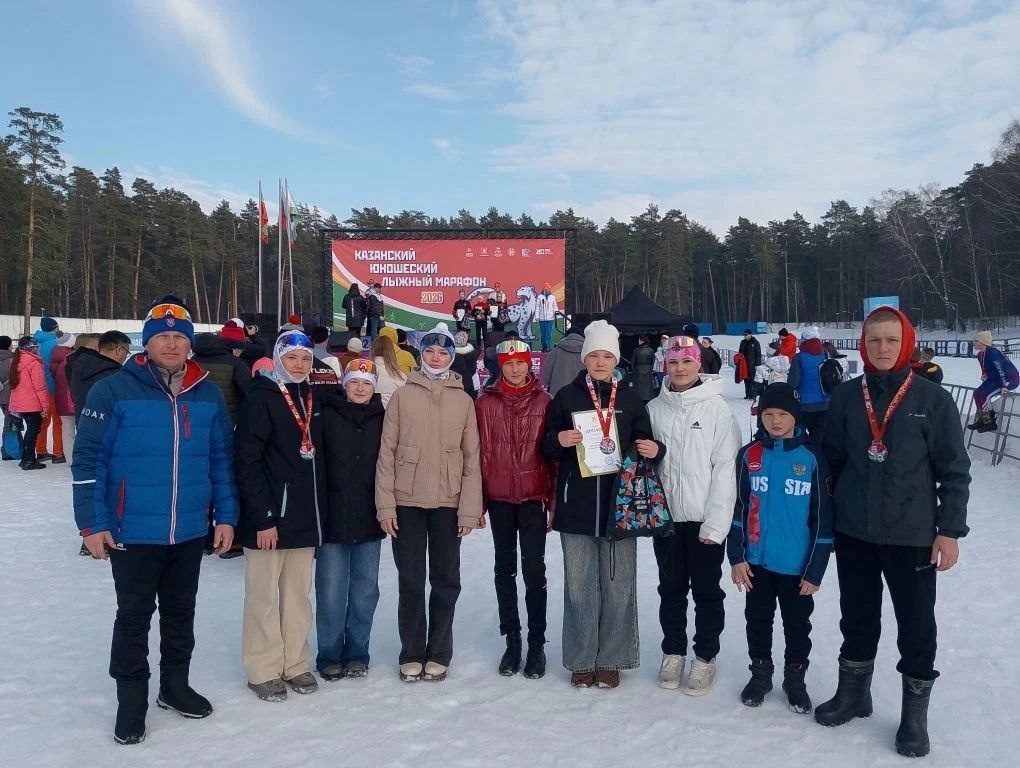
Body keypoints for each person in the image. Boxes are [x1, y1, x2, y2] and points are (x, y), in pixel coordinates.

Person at [72, 295, 237, 745]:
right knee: (133, 617)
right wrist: (91, 523)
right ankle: (131, 702)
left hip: (189, 529)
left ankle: (174, 686)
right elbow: (87, 461)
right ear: (146, 343)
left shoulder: (206, 393)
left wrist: (226, 516)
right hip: (132, 530)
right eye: (162, 337)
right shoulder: (113, 390)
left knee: (181, 613)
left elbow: (221, 461)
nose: (171, 344)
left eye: (179, 337)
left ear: (189, 344)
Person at [816, 307, 971, 758]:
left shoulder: (932, 399)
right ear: (863, 345)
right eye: (874, 340)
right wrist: (829, 514)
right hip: (855, 530)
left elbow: (954, 470)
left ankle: (914, 716)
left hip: (912, 534)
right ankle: (854, 693)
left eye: (891, 340)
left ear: (906, 343)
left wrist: (950, 530)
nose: (882, 348)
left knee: (917, 625)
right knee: (857, 615)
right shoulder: (846, 397)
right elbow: (832, 462)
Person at [541, 320, 664, 689]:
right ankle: (581, 659)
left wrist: (656, 449)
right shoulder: (566, 397)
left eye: (607, 356)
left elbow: (646, 444)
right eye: (593, 355)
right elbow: (546, 446)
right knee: (579, 588)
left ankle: (612, 658)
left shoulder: (630, 399)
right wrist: (559, 440)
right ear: (584, 358)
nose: (599, 362)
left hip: (620, 507)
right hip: (576, 506)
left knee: (618, 586)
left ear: (616, 359)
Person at [375, 323, 483, 682]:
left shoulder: (463, 401)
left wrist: (468, 509)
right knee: (410, 579)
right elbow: (386, 453)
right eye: (430, 351)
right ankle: (411, 651)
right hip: (406, 501)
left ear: (451, 357)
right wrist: (386, 505)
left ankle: (438, 651)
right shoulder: (402, 396)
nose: (436, 358)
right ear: (421, 354)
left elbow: (472, 458)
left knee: (446, 579)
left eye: (443, 352)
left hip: (448, 503)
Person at [728, 383, 834, 713]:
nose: (775, 421)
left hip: (796, 566)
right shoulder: (749, 455)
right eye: (768, 414)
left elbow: (823, 519)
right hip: (756, 563)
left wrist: (814, 570)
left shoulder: (811, 458)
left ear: (796, 417)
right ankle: (760, 675)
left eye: (783, 414)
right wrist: (737, 557)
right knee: (757, 621)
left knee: (797, 626)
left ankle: (795, 681)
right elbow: (738, 508)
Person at [647, 335, 741, 696]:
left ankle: (705, 656)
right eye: (673, 362)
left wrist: (716, 525)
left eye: (687, 361)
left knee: (706, 591)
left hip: (703, 520)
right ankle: (673, 652)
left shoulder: (717, 410)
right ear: (665, 365)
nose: (680, 369)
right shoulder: (654, 409)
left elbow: (726, 470)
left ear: (698, 364)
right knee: (670, 589)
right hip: (668, 519)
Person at [235, 331, 324, 702]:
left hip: (303, 517)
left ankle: (295, 662)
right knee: (264, 597)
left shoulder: (311, 395)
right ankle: (263, 668)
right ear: (277, 359)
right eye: (291, 358)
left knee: (297, 596)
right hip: (269, 520)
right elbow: (247, 462)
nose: (299, 365)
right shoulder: (261, 397)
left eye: (305, 359)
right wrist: (264, 518)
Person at [476, 338, 555, 679]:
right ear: (500, 365)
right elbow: (477, 453)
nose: (515, 368)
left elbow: (553, 456)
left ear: (529, 363)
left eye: (521, 362)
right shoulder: (484, 402)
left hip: (533, 497)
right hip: (499, 498)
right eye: (509, 363)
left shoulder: (545, 401)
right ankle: (512, 638)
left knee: (534, 571)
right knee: (504, 568)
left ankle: (537, 643)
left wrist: (553, 502)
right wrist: (477, 501)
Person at [317, 359, 387, 680]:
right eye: (354, 382)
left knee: (365, 590)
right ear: (344, 384)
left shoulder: (383, 418)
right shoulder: (326, 415)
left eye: (367, 383)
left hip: (369, 517)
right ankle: (329, 654)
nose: (360, 388)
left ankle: (358, 651)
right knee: (331, 591)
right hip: (332, 517)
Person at [191, 324, 251, 424]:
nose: (240, 353)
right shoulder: (236, 363)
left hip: (196, 418)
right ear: (235, 348)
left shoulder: (193, 360)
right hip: (227, 420)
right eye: (241, 350)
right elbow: (249, 392)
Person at [70, 331, 131, 425]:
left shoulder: (81, 366)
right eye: (126, 353)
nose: (125, 357)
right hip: (109, 429)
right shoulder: (114, 375)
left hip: (84, 426)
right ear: (119, 350)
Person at [8, 336, 49, 470]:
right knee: (33, 431)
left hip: (19, 402)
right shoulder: (34, 363)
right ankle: (29, 459)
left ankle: (26, 458)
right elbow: (40, 387)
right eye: (36, 346)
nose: (38, 348)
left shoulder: (16, 361)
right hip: (32, 403)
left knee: (30, 430)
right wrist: (45, 406)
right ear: (30, 348)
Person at [969, 330, 1018, 433]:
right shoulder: (980, 355)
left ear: (983, 342)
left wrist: (1003, 386)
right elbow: (987, 369)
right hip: (995, 378)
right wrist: (985, 375)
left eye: (976, 341)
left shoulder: (992, 353)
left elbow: (1000, 370)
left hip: (1009, 379)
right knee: (977, 393)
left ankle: (989, 422)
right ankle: (982, 419)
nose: (973, 343)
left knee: (984, 394)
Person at [788, 326, 830, 443]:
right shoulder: (825, 354)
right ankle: (817, 453)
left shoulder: (799, 358)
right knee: (819, 438)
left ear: (804, 340)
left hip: (804, 405)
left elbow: (793, 382)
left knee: (799, 435)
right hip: (824, 403)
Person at [33, 318, 63, 462]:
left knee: (44, 420)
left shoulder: (38, 342)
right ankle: (58, 452)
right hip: (54, 385)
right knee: (58, 420)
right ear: (54, 328)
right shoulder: (54, 343)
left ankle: (40, 451)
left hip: (41, 386)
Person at [50, 331, 78, 465]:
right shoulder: (73, 358)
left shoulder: (55, 357)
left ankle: (70, 459)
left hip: (61, 399)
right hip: (73, 399)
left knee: (67, 429)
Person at [541, 326, 584, 397]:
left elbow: (546, 377)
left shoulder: (556, 350)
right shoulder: (587, 353)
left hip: (558, 396)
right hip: (582, 396)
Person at [370, 334, 408, 408]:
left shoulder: (365, 373)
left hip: (371, 413)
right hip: (393, 413)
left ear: (372, 349)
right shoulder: (401, 376)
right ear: (392, 351)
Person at [450, 329, 480, 399]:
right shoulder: (473, 353)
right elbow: (477, 347)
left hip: (456, 384)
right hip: (472, 383)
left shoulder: (452, 357)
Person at [630, 334, 656, 402]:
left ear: (642, 341)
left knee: (638, 386)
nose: (638, 341)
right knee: (648, 386)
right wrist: (651, 369)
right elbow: (653, 361)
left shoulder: (636, 350)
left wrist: (633, 369)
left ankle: (638, 398)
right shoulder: (650, 350)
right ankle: (648, 399)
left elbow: (632, 362)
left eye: (639, 340)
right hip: (648, 369)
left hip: (638, 369)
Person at [738, 330, 763, 399]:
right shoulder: (742, 342)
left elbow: (758, 354)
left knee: (752, 379)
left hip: (752, 364)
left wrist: (757, 364)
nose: (745, 336)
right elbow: (740, 353)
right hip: (744, 364)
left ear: (750, 334)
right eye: (744, 335)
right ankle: (747, 394)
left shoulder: (755, 342)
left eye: (746, 335)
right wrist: (739, 362)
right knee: (746, 378)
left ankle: (752, 395)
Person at [0, 336, 13, 460]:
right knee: (9, 423)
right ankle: (7, 450)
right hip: (10, 395)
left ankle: (11, 447)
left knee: (9, 421)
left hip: (1, 395)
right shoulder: (11, 360)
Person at [535, 283, 559, 352]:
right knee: (543, 334)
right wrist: (537, 316)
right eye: (545, 288)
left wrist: (556, 313)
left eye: (548, 289)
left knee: (548, 333)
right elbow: (537, 307)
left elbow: (554, 306)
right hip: (542, 319)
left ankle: (548, 347)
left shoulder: (552, 297)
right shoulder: (540, 297)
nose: (547, 290)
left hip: (550, 318)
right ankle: (544, 347)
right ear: (543, 289)